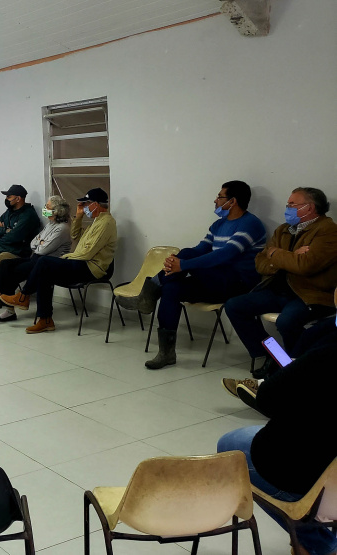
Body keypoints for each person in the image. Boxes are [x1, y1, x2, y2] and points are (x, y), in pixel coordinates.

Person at [217, 307, 337, 555]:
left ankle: (317, 543)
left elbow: (268, 399)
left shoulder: (325, 356)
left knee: (229, 445)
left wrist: (295, 375)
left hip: (315, 483)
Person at [136, 181, 267, 369]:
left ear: (233, 201)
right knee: (172, 288)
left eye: (220, 196)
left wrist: (183, 264)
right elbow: (201, 249)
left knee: (187, 256)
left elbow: (225, 254)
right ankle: (166, 353)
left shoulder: (250, 224)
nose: (215, 200)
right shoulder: (218, 225)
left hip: (237, 282)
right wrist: (176, 261)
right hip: (215, 280)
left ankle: (150, 290)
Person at [225, 187, 337, 377]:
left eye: (293, 204)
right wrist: (291, 258)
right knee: (235, 306)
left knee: (287, 321)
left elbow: (306, 266)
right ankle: (273, 357)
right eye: (288, 204)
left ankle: (294, 368)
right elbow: (260, 262)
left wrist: (276, 255)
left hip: (310, 294)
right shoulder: (283, 229)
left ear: (309, 208)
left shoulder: (328, 231)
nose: (288, 208)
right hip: (279, 290)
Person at [0, 188, 116, 334]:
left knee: (44, 262)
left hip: (91, 268)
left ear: (96, 204)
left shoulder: (106, 223)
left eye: (86, 204)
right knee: (44, 272)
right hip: (82, 263)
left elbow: (87, 253)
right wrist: (79, 217)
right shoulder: (96, 221)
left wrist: (66, 257)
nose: (84, 207)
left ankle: (24, 297)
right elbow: (75, 235)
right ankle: (45, 320)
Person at [0, 195, 72, 322]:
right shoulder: (50, 224)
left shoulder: (62, 228)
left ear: (57, 210)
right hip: (36, 258)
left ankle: (8, 307)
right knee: (5, 264)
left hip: (46, 263)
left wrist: (40, 243)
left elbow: (42, 250)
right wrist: (41, 242)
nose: (45, 208)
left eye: (48, 207)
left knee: (10, 272)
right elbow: (33, 243)